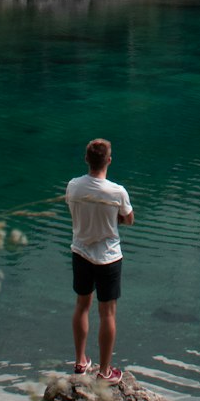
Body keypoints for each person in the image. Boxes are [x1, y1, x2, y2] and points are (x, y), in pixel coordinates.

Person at [66, 137, 134, 383]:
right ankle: (105, 372)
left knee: (81, 305)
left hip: (81, 253)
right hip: (108, 258)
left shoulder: (73, 186)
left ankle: (80, 361)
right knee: (107, 314)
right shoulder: (117, 191)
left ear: (86, 159)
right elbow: (129, 219)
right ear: (109, 160)